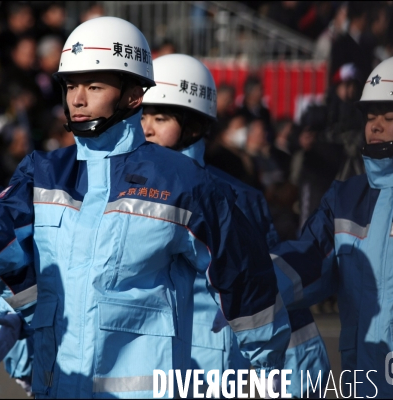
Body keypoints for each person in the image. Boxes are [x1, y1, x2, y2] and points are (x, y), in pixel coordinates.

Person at [0, 17, 290, 398]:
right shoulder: (46, 172)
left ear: (134, 96)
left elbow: (244, 275)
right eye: (71, 86)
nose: (78, 99)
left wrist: (266, 368)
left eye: (95, 85)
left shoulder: (183, 181)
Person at [141, 53, 330, 398]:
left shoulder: (239, 198)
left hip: (221, 370)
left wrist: (297, 377)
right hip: (146, 369)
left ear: (195, 125)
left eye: (160, 116)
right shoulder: (123, 194)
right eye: (141, 116)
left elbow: (269, 288)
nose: (146, 128)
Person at [271, 54, 393, 398]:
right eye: (370, 117)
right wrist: (247, 281)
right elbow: (305, 261)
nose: (375, 126)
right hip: (361, 379)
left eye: (389, 117)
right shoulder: (346, 196)